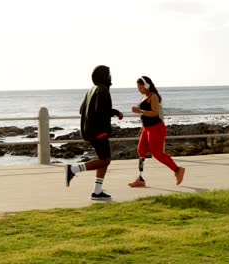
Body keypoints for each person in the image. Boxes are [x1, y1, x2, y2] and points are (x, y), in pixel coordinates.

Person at [65, 65, 123, 200]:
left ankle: (97, 192)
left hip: (89, 130)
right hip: (98, 131)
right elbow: (101, 110)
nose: (111, 76)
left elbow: (81, 110)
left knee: (104, 160)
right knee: (105, 161)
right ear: (103, 76)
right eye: (109, 74)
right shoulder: (102, 90)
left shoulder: (91, 90)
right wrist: (116, 112)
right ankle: (72, 170)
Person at [128, 76, 185, 187]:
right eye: (138, 88)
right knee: (141, 150)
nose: (139, 90)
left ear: (147, 85)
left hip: (156, 128)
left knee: (157, 153)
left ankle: (178, 170)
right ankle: (140, 179)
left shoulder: (153, 96)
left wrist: (140, 111)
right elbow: (145, 114)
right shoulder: (144, 96)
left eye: (140, 87)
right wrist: (143, 126)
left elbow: (154, 113)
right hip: (146, 128)